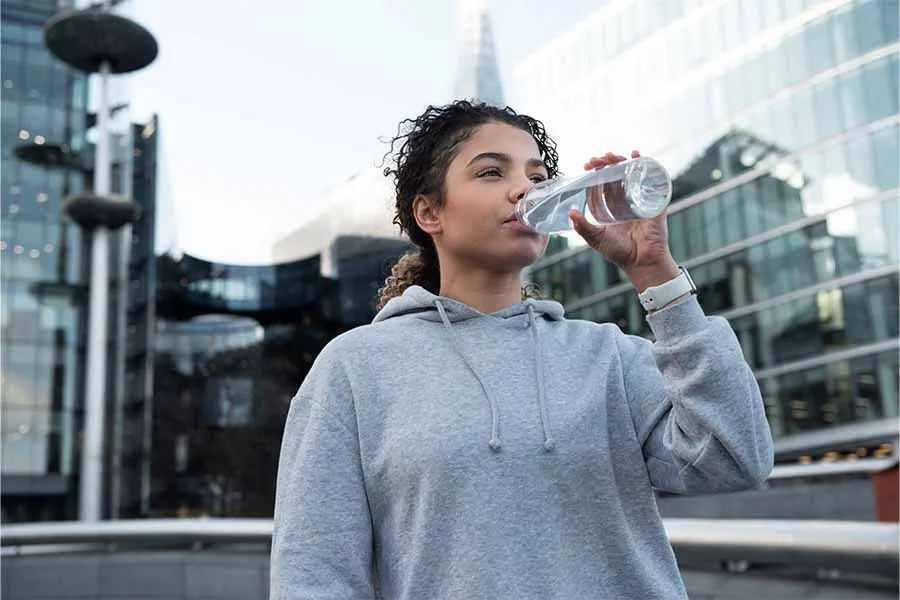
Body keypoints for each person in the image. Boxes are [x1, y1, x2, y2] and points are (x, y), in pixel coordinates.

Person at [269, 100, 774, 600]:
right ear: (429, 213)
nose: (523, 190)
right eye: (491, 172)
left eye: (536, 176)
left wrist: (655, 274)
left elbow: (737, 458)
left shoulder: (607, 356)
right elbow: (314, 574)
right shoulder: (356, 367)